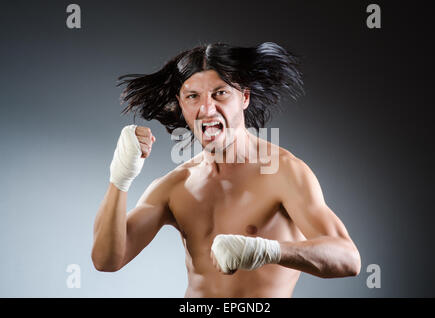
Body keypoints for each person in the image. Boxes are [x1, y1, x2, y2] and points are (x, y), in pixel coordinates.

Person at [91, 42, 361, 297]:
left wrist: (266, 250)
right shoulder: (175, 186)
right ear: (181, 104)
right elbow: (107, 260)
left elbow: (348, 258)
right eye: (193, 96)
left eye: (220, 93)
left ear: (244, 96)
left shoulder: (284, 173)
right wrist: (120, 178)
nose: (207, 108)